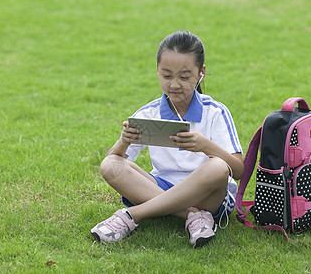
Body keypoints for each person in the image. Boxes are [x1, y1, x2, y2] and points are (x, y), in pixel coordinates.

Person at [90, 31, 244, 248]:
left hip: (208, 196)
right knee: (109, 165)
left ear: (201, 73)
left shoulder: (215, 112)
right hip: (161, 186)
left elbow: (237, 170)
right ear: (157, 72)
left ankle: (133, 215)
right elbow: (113, 166)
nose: (174, 84)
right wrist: (124, 141)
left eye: (184, 77)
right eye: (166, 75)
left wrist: (204, 145)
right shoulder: (148, 113)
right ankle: (192, 216)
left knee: (218, 167)